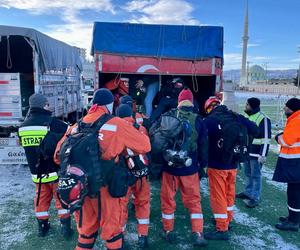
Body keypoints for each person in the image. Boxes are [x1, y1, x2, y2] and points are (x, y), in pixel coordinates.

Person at [54, 88, 151, 250]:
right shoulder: (116, 123)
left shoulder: (76, 126)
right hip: (107, 187)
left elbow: (57, 156)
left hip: (82, 188)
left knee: (85, 233)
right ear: (110, 105)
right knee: (112, 233)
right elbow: (145, 145)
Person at [203, 97, 259, 241]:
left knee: (218, 196)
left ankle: (221, 229)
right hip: (233, 164)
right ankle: (227, 221)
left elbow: (200, 140)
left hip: (216, 165)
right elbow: (255, 130)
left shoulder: (210, 120)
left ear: (209, 108)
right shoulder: (236, 117)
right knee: (229, 193)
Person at [18, 93, 72, 238]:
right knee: (61, 200)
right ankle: (65, 228)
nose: (49, 106)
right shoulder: (54, 123)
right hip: (55, 172)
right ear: (43, 105)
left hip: (37, 175)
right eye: (48, 104)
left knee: (41, 201)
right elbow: (70, 135)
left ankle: (43, 228)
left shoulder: (22, 127)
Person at [160, 88, 208, 247]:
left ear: (179, 101)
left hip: (170, 168)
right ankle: (198, 233)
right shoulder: (198, 120)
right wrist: (202, 165)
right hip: (190, 168)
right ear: (191, 102)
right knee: (194, 201)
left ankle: (168, 230)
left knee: (168, 200)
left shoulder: (169, 116)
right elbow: (203, 146)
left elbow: (159, 140)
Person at [116, 104, 151, 249]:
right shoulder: (141, 129)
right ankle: (143, 237)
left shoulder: (116, 130)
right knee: (143, 204)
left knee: (121, 206)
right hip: (141, 175)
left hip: (124, 176)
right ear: (131, 114)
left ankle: (121, 238)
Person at [236, 97, 271, 208]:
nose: (245, 106)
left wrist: (263, 154)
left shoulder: (263, 118)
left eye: (247, 104)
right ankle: (248, 192)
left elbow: (266, 138)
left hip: (256, 154)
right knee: (247, 173)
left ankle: (255, 197)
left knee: (256, 175)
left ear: (252, 106)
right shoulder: (246, 116)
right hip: (247, 152)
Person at [273, 98, 300, 232]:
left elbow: (287, 140)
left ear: (292, 108)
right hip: (296, 161)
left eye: (286, 107)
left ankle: (294, 221)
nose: (284, 109)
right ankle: (293, 217)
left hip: (295, 162)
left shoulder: (297, 120)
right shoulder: (296, 119)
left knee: (294, 192)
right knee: (294, 191)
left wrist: (278, 136)